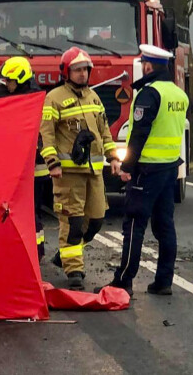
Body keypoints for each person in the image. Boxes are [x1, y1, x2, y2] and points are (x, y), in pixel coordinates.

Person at [101, 44, 189, 297]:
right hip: (170, 169)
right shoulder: (178, 94)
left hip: (147, 170)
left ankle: (124, 280)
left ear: (148, 66)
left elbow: (139, 133)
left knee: (134, 225)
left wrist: (127, 167)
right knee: (165, 226)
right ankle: (164, 281)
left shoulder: (149, 94)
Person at [41, 46, 121, 289]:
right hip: (68, 174)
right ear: (67, 71)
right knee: (72, 223)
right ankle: (74, 270)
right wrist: (52, 163)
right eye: (77, 70)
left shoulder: (94, 98)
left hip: (94, 172)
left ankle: (64, 255)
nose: (82, 74)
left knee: (96, 220)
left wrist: (114, 157)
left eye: (85, 69)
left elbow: (104, 131)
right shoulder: (53, 98)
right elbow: (47, 134)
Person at [0, 56, 46, 260]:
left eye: (9, 81)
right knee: (31, 213)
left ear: (19, 78)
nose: (6, 85)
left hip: (33, 167)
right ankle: (34, 251)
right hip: (31, 167)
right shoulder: (31, 96)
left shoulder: (28, 100)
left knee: (30, 213)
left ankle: (34, 253)